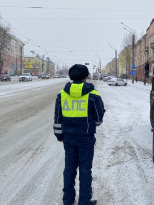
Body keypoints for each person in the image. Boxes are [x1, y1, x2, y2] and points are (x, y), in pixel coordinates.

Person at [54, 64, 106, 205]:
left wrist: (59, 136)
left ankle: (67, 200)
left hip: (69, 139)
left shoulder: (62, 95)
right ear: (86, 76)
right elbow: (99, 119)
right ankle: (84, 201)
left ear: (71, 76)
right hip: (86, 138)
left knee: (69, 168)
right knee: (85, 169)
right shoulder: (93, 95)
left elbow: (58, 119)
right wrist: (90, 125)